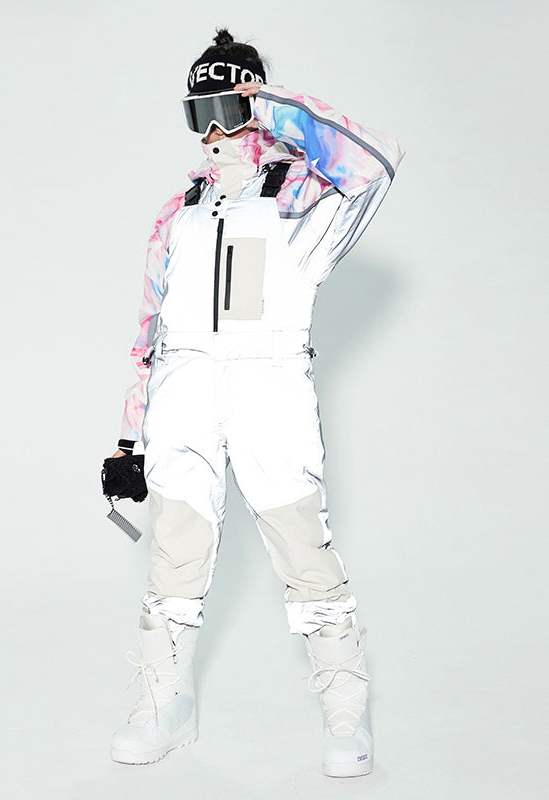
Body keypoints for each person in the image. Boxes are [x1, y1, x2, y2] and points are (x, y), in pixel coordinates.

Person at [108, 28, 404, 778]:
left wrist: (269, 106)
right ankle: (165, 703)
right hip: (184, 385)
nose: (215, 130)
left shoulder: (303, 196)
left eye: (228, 109)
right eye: (200, 112)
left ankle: (345, 705)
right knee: (174, 549)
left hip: (269, 382)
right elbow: (149, 330)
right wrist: (129, 440)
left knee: (302, 545)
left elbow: (376, 161)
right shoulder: (178, 211)